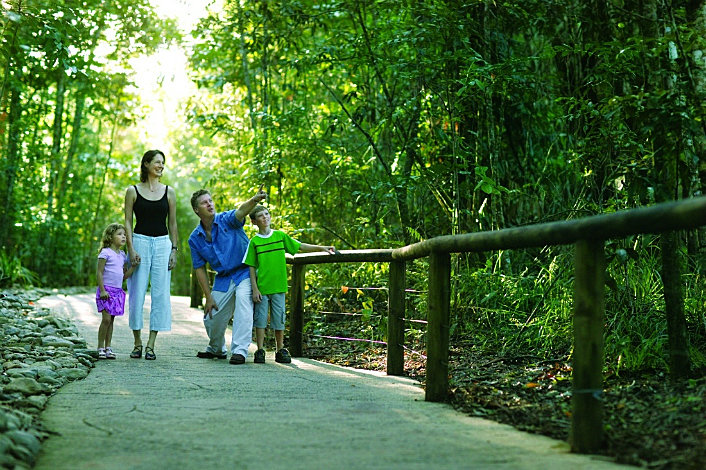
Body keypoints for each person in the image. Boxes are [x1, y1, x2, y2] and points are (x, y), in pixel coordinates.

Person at [243, 205, 335, 364]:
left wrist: (322, 248)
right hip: (262, 289)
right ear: (253, 221)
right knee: (261, 320)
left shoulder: (280, 236)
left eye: (267, 214)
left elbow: (299, 246)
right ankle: (260, 350)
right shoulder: (254, 242)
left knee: (279, 319)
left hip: (279, 287)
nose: (265, 217)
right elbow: (251, 266)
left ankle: (280, 350)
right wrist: (255, 289)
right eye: (260, 216)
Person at [188, 185, 267, 364]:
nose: (209, 204)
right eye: (204, 203)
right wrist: (208, 297)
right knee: (211, 317)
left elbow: (240, 212)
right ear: (196, 210)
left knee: (243, 305)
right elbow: (199, 268)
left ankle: (239, 351)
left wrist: (255, 200)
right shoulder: (195, 238)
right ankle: (216, 349)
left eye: (210, 201)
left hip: (245, 271)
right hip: (223, 278)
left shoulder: (226, 220)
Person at [124, 149, 178, 361]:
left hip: (163, 244)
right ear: (146, 164)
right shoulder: (133, 191)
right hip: (140, 242)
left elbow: (172, 223)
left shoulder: (169, 192)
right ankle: (137, 342)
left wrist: (174, 249)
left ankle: (151, 344)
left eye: (162, 163)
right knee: (137, 292)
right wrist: (131, 248)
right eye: (157, 162)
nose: (161, 166)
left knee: (160, 293)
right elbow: (128, 221)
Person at [95, 223, 136, 359]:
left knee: (111, 321)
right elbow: (99, 273)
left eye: (124, 234)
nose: (123, 237)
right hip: (106, 291)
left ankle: (108, 347)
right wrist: (102, 290)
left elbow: (123, 276)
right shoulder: (105, 253)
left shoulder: (123, 255)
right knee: (105, 320)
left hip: (117, 292)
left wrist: (134, 266)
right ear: (110, 237)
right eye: (119, 234)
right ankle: (100, 347)